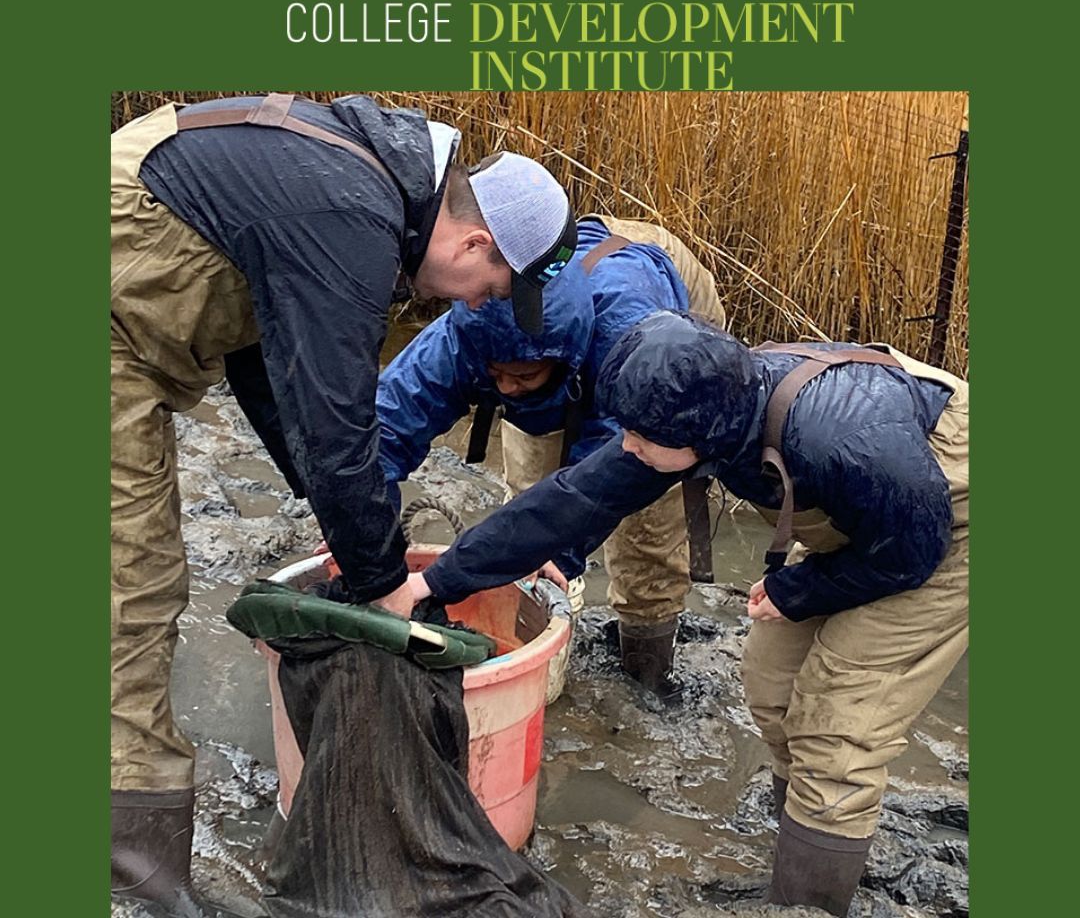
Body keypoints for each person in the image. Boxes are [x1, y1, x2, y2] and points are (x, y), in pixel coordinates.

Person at [110, 92, 576, 918]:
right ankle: (138, 878)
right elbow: (339, 417)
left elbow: (265, 355)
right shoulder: (351, 212)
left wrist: (334, 511)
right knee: (133, 584)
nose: (477, 305)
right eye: (492, 285)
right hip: (113, 312)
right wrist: (383, 576)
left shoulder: (362, 188)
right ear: (473, 239)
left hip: (141, 284)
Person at [410, 311, 968, 917]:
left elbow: (912, 554)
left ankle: (804, 904)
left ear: (699, 436)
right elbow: (574, 500)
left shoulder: (839, 441)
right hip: (873, 516)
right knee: (772, 680)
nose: (627, 446)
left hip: (948, 530)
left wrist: (801, 589)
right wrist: (435, 582)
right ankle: (808, 845)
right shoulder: (693, 412)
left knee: (838, 724)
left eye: (640, 437)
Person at [376, 215, 726, 698]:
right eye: (494, 377)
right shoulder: (467, 337)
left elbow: (606, 482)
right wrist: (360, 527)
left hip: (655, 299)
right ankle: (542, 625)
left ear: (559, 361)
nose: (504, 388)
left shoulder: (634, 344)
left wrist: (561, 548)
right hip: (549, 302)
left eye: (520, 378)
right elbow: (387, 425)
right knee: (531, 501)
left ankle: (646, 669)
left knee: (646, 524)